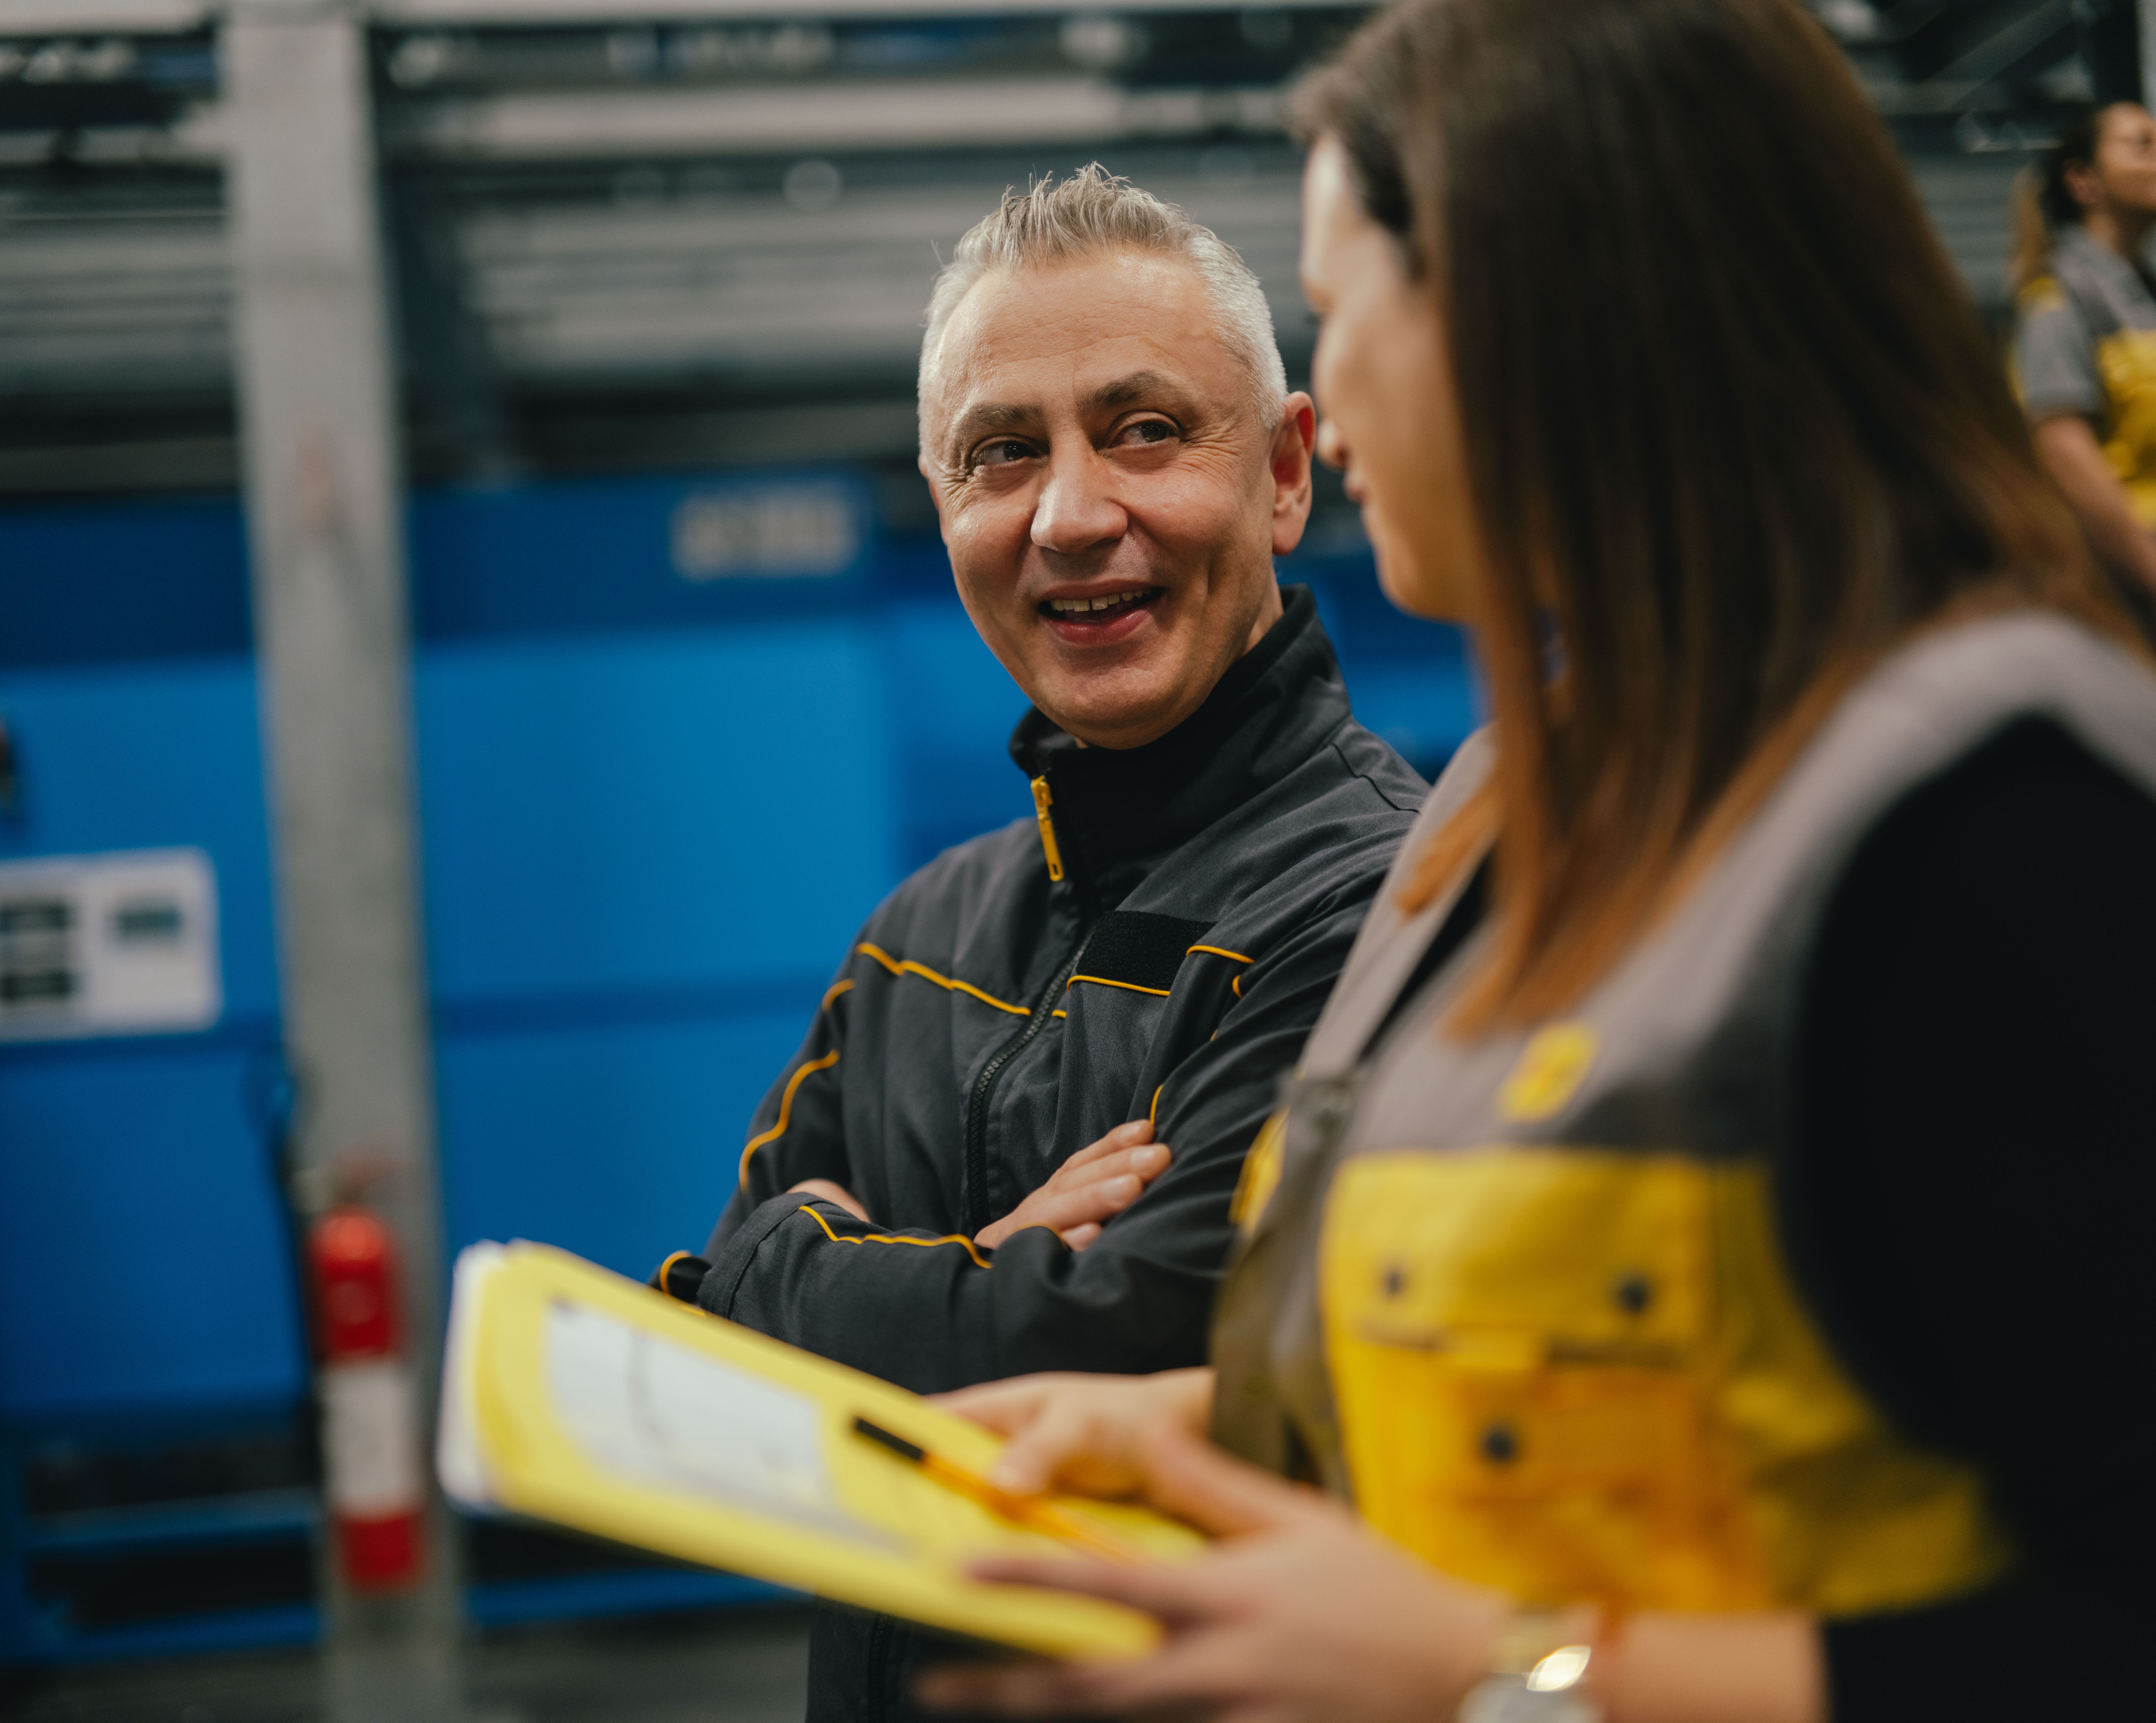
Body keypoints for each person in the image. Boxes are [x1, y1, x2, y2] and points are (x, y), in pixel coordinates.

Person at [907, 4, 2156, 1722]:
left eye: (1344, 309)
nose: (1325, 409)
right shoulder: (1512, 794)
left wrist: (1495, 1673)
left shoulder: (1987, 822)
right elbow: (1599, 1383)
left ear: (1537, 305)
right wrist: (1190, 1421)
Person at [651, 167, 1428, 1719]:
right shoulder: (921, 935)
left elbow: (1138, 1348)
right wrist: (983, 1277)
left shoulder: (1375, 911)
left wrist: (801, 1267)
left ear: (1285, 476)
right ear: (946, 506)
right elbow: (689, 1370)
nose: (1071, 517)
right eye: (1002, 453)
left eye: (1143, 430)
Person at [2013, 102, 2156, 613]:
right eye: (2143, 146)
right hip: (2125, 585)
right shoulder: (2059, 294)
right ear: (2084, 182)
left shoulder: (2142, 289)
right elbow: (2064, 452)